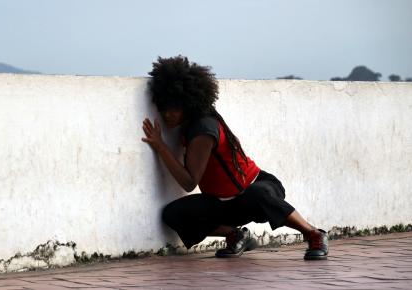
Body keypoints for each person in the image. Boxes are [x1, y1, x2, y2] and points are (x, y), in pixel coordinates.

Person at [140, 56, 328, 260]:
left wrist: (161, 147)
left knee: (259, 194)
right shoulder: (189, 126)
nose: (167, 114)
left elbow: (188, 182)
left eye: (174, 108)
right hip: (225, 203)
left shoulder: (203, 128)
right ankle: (236, 235)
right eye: (164, 107)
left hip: (257, 188)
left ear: (188, 104)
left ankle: (313, 234)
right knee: (173, 213)